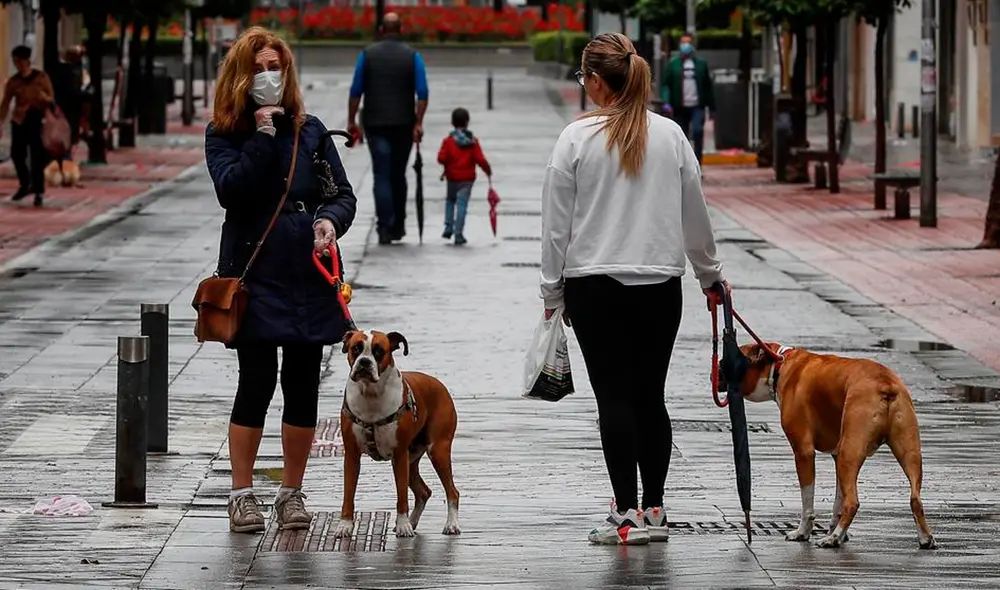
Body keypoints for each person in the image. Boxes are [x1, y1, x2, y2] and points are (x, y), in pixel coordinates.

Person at [540, 33, 730, 545]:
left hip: (593, 286)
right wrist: (710, 275)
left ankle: (624, 513)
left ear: (597, 81)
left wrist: (551, 293)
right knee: (650, 397)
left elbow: (556, 227)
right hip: (659, 286)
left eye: (585, 78)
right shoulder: (670, 136)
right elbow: (696, 216)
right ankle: (654, 509)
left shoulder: (575, 140)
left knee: (614, 399)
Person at [205, 26, 358, 534]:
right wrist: (262, 136)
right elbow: (232, 192)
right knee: (256, 381)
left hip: (306, 273)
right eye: (259, 69)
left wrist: (330, 221)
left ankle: (291, 491)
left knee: (301, 383)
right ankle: (242, 493)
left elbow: (342, 194)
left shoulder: (310, 130)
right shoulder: (224, 132)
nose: (269, 77)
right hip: (255, 268)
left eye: (276, 68)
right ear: (240, 78)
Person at [347, 12, 429, 245]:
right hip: (404, 124)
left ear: (382, 30)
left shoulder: (367, 55)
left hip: (376, 124)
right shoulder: (413, 56)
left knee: (381, 175)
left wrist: (352, 121)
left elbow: (355, 91)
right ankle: (399, 225)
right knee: (398, 174)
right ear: (401, 30)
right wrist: (419, 122)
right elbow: (422, 93)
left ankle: (384, 227)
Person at [0, 45, 54, 207]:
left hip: (36, 118)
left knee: (37, 156)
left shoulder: (41, 78)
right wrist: (0, 122)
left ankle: (38, 191)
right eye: (15, 61)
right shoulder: (14, 81)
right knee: (16, 153)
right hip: (19, 120)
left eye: (19, 61)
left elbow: (51, 98)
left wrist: (42, 97)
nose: (17, 64)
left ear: (26, 60)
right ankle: (25, 183)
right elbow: (5, 103)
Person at [437, 107, 491, 246]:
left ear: (452, 122)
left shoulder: (448, 141)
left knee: (450, 202)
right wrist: (487, 170)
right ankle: (458, 234)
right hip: (467, 180)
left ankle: (448, 226)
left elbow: (441, 158)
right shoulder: (472, 142)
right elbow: (480, 159)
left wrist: (447, 162)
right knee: (462, 205)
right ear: (467, 122)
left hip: (452, 178)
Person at [660, 33, 715, 164]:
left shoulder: (701, 64)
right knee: (681, 136)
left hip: (697, 106)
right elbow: (665, 85)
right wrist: (666, 102)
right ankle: (683, 164)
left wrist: (712, 107)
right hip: (679, 107)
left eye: (688, 43)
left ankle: (697, 163)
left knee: (697, 131)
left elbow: (708, 86)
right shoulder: (673, 64)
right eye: (683, 43)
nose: (686, 46)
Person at [51, 45, 86, 153]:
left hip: (69, 104)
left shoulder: (74, 68)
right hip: (70, 104)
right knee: (69, 129)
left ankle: (66, 151)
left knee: (68, 129)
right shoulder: (70, 69)